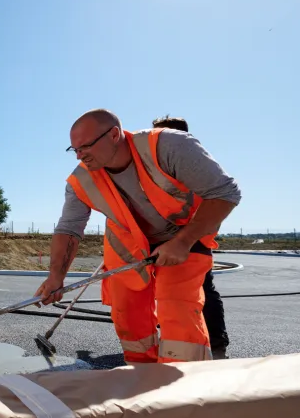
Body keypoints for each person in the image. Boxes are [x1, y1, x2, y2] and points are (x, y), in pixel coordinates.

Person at [36, 109, 241, 364]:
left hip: (184, 234)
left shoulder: (169, 146)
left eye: (86, 146)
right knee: (128, 313)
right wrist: (56, 276)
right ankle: (142, 375)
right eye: (74, 149)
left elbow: (225, 193)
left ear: (113, 135)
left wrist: (182, 242)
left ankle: (186, 385)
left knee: (176, 307)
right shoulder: (81, 180)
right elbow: (69, 228)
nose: (80, 155)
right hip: (128, 242)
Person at [151, 115, 230, 357]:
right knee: (185, 293)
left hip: (192, 240)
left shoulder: (189, 163)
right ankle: (184, 342)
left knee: (199, 291)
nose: (153, 142)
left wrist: (186, 239)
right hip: (175, 237)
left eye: (158, 136)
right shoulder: (164, 165)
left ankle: (211, 345)